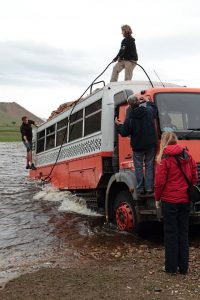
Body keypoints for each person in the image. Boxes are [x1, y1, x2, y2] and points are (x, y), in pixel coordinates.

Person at [154, 132, 198, 275]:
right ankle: (184, 268)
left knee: (171, 234)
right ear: (176, 141)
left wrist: (157, 199)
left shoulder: (164, 158)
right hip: (185, 200)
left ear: (164, 142)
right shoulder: (188, 155)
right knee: (183, 233)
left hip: (169, 201)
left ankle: (171, 268)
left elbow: (159, 183)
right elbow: (194, 177)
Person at [115, 95, 158, 195]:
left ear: (129, 105)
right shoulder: (147, 111)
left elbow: (124, 132)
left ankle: (140, 189)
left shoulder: (130, 117)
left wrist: (118, 125)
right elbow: (154, 110)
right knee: (149, 165)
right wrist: (148, 101)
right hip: (150, 144)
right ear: (138, 102)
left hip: (138, 146)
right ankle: (149, 189)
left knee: (138, 167)